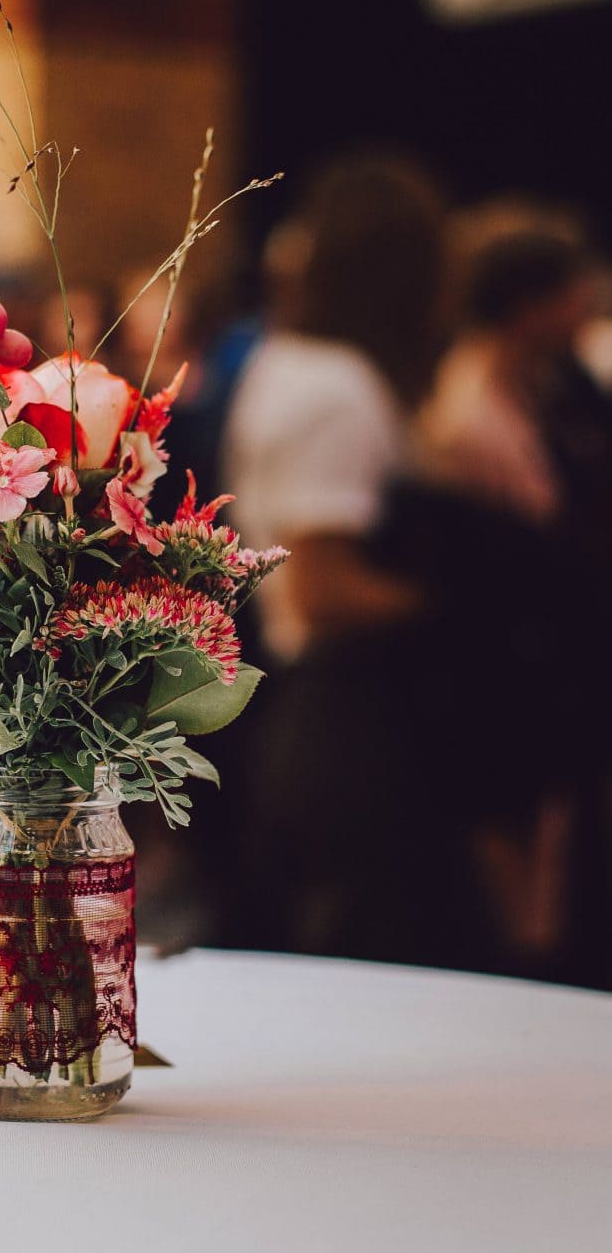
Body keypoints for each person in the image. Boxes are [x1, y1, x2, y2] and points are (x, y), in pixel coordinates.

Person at [223, 156, 487, 967]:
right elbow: (324, 590)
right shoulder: (335, 387)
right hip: (346, 715)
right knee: (369, 956)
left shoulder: (292, 363)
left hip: (317, 707)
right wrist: (465, 607)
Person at [419, 229, 612, 981]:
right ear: (529, 303)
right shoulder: (470, 407)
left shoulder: (551, 379)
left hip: (550, 639)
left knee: (554, 815)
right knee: (509, 812)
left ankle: (547, 952)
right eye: (571, 290)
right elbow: (508, 546)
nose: (585, 302)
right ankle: (525, 966)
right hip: (501, 648)